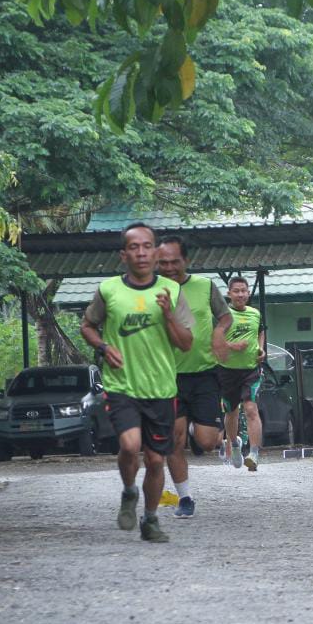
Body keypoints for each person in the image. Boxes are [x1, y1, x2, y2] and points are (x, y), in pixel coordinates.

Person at [80, 223, 193, 543]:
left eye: (147, 246)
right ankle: (130, 491)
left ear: (157, 253)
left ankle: (151, 519)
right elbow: (87, 325)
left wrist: (169, 315)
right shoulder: (109, 290)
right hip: (122, 385)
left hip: (160, 388)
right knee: (130, 446)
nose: (141, 253)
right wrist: (103, 347)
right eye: (134, 247)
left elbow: (186, 343)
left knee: (157, 459)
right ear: (123, 255)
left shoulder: (172, 292)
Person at [157, 235, 232, 517]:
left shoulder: (205, 286)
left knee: (207, 441)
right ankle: (185, 497)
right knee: (172, 441)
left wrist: (218, 333)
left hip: (204, 374)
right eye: (162, 262)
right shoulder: (150, 290)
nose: (169, 267)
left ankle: (193, 428)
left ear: (185, 260)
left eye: (174, 261)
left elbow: (225, 316)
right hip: (168, 376)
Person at [218, 277, 265, 472]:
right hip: (227, 372)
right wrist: (232, 346)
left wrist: (260, 349)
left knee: (251, 408)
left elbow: (261, 332)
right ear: (229, 294)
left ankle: (254, 453)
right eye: (236, 291)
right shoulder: (223, 315)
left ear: (248, 293)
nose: (240, 294)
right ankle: (234, 446)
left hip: (250, 370)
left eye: (243, 291)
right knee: (232, 411)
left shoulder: (255, 314)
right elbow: (213, 341)